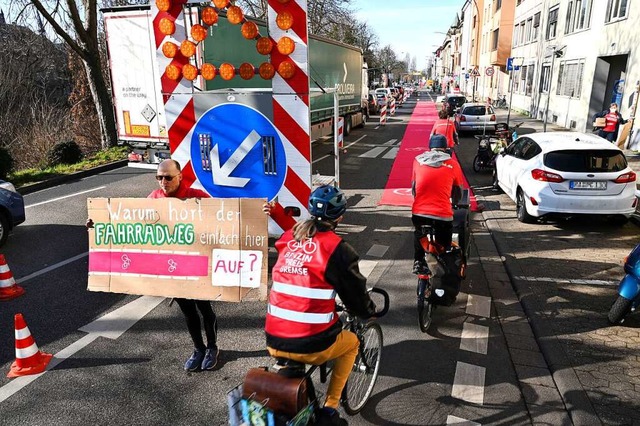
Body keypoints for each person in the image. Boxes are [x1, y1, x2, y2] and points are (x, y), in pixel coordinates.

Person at [263, 185, 376, 426]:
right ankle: (331, 407)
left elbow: (292, 231)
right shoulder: (338, 250)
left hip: (273, 339)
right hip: (311, 344)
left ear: (310, 210)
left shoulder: (289, 239)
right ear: (340, 216)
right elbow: (355, 297)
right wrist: (368, 311)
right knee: (352, 344)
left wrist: (275, 211)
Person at [148, 159, 219, 372]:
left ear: (180, 177)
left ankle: (212, 348)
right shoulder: (153, 198)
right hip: (173, 267)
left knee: (204, 308)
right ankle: (198, 348)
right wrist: (97, 224)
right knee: (188, 311)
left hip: (197, 265)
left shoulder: (197, 197)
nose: (163, 182)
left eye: (168, 177)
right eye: (159, 177)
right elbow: (132, 224)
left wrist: (259, 213)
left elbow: (225, 218)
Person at [411, 135, 464, 275]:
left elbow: (414, 188)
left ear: (430, 148)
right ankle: (443, 264)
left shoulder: (417, 161)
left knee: (419, 233)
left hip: (419, 213)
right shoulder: (453, 164)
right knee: (444, 242)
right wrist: (455, 203)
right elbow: (458, 191)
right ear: (445, 149)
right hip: (442, 214)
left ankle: (418, 261)